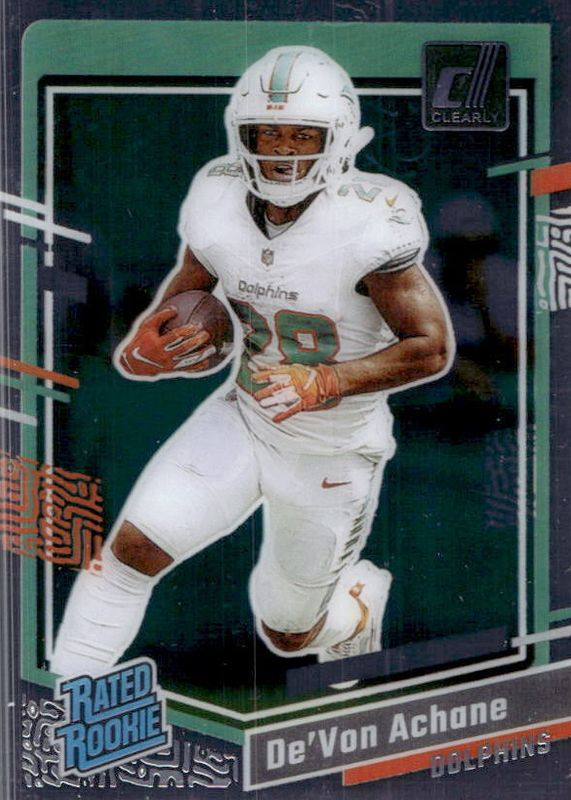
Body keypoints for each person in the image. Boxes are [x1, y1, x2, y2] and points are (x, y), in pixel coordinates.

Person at [51, 46, 453, 687]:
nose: (282, 150)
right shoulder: (217, 194)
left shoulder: (369, 221)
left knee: (287, 631)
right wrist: (147, 349)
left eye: (302, 134)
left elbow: (429, 346)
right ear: (242, 134)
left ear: (338, 138)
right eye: (267, 133)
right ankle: (60, 700)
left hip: (333, 446)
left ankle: (355, 611)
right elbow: (192, 288)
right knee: (132, 552)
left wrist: (327, 379)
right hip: (245, 413)